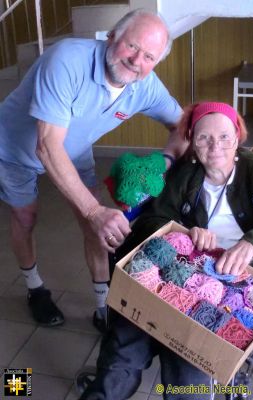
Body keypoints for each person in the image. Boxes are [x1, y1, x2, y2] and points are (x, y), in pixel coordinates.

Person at [78, 101, 253, 400]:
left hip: (229, 284)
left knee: (187, 370)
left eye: (224, 136)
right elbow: (154, 219)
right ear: (192, 141)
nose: (215, 146)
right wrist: (185, 231)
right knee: (123, 348)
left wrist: (251, 243)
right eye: (203, 138)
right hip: (178, 269)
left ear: (237, 136)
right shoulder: (185, 174)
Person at [0, 9, 188, 330]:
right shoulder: (67, 60)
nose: (136, 60)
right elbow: (46, 146)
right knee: (27, 217)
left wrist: (163, 161)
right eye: (131, 46)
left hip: (73, 151)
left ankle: (103, 307)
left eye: (148, 56)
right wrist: (92, 210)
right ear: (112, 36)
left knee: (95, 229)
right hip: (13, 148)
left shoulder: (145, 85)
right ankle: (35, 289)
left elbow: (184, 125)